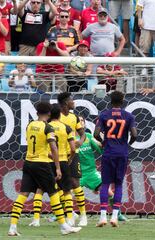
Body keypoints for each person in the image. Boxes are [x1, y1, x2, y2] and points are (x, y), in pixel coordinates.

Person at [7, 102, 80, 236]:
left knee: (23, 194)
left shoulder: (30, 125)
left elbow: (35, 145)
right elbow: (53, 148)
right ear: (49, 113)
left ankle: (12, 227)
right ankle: (64, 226)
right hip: (42, 164)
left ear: (36, 113)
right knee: (53, 194)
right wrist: (57, 167)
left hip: (28, 162)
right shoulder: (48, 128)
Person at [29, 104, 81, 229]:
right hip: (62, 161)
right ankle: (69, 218)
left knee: (40, 189)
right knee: (67, 190)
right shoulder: (67, 128)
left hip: (47, 162)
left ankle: (36, 219)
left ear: (50, 114)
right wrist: (70, 159)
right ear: (60, 115)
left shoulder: (46, 127)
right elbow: (73, 148)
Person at [93, 91, 137, 227]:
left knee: (105, 185)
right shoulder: (129, 116)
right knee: (118, 185)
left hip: (108, 153)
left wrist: (104, 142)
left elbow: (95, 134)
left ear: (110, 101)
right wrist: (127, 144)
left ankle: (102, 218)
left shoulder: (104, 115)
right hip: (122, 153)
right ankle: (114, 217)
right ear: (123, 100)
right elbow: (134, 134)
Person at [77, 116, 127, 222]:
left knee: (109, 192)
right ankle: (60, 215)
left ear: (85, 124)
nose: (81, 123)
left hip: (91, 173)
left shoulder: (89, 137)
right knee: (64, 193)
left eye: (83, 121)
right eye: (79, 121)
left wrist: (104, 144)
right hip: (77, 174)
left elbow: (101, 151)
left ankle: (118, 214)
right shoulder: (70, 139)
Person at [57, 92, 88, 227]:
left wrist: (80, 142)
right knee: (62, 186)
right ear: (65, 103)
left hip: (72, 154)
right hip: (58, 155)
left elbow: (83, 135)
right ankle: (70, 215)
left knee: (75, 183)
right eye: (71, 100)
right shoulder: (56, 116)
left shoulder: (75, 117)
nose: (73, 102)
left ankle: (83, 215)